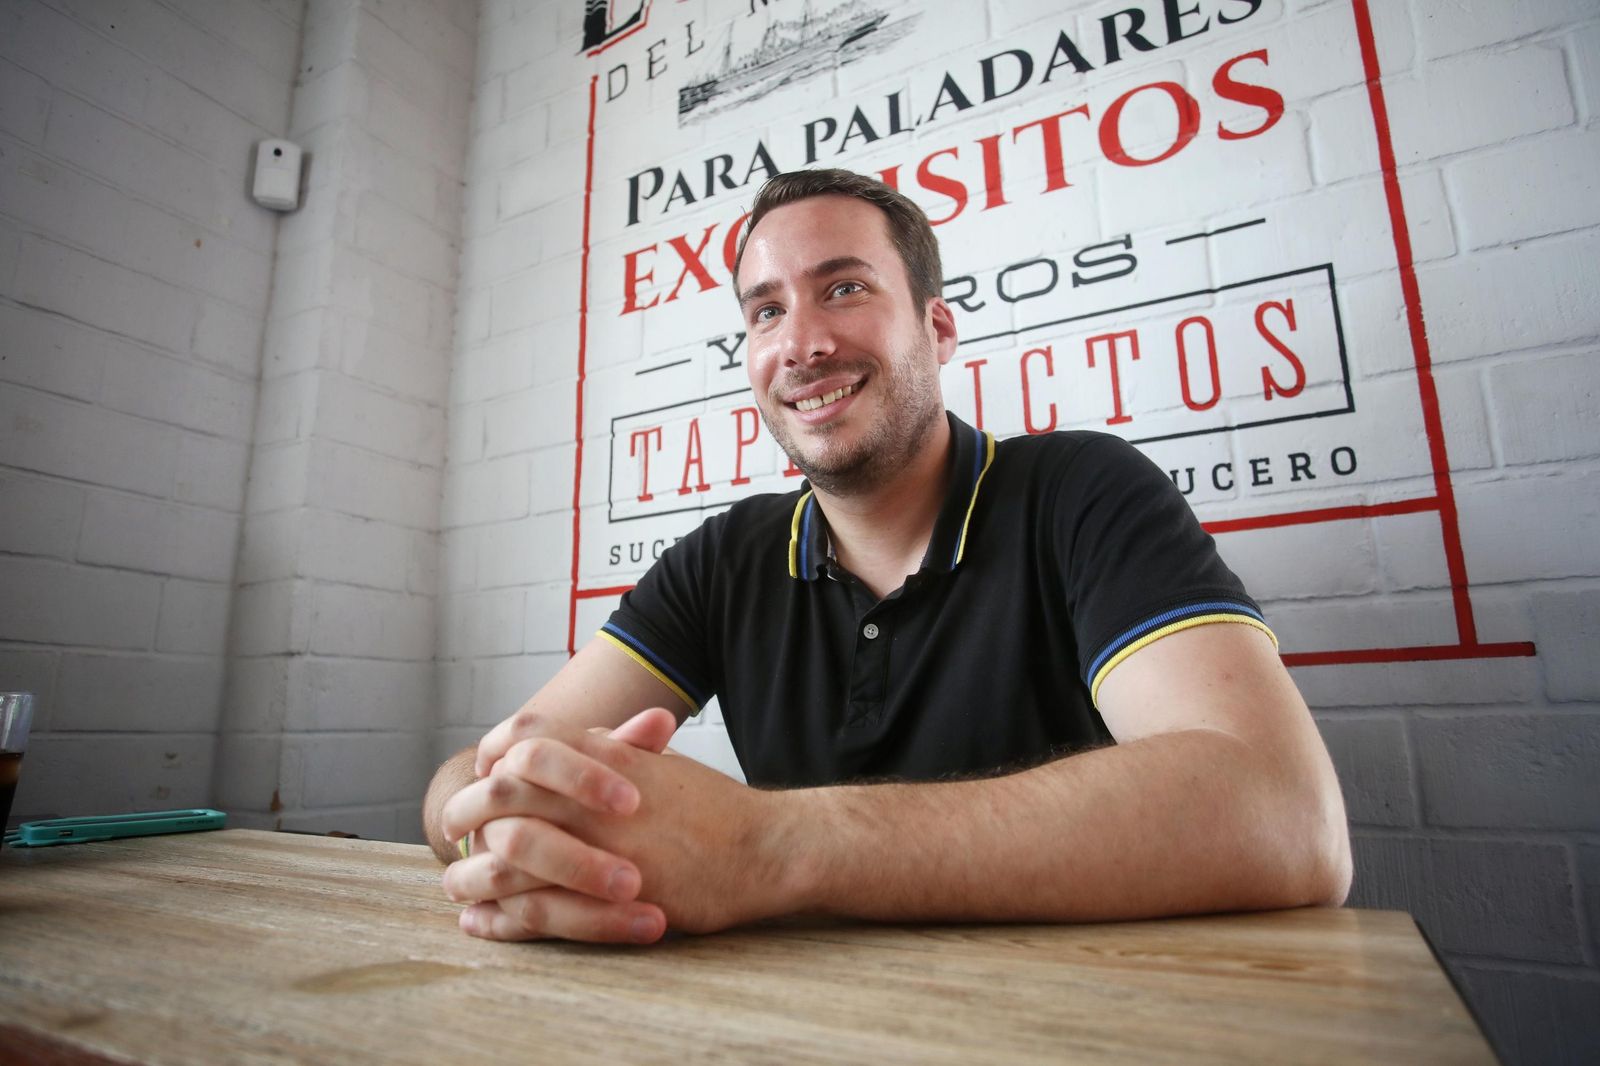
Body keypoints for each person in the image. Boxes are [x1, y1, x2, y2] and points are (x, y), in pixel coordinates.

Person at [423, 169, 1352, 945]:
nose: (802, 344)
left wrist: (768, 847)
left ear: (937, 329)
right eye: (765, 312)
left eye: (845, 288)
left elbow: (1285, 817)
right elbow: (482, 771)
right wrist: (497, 820)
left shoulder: (1080, 490)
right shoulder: (727, 555)